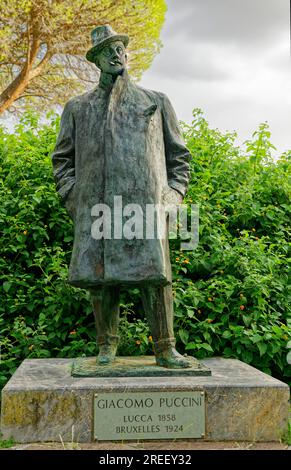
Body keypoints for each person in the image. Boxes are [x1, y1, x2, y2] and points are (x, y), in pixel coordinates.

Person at [52, 25, 192, 368]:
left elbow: (179, 157)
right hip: (96, 205)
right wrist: (73, 197)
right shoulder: (77, 107)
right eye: (108, 51)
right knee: (102, 278)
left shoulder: (155, 102)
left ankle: (165, 348)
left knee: (156, 277)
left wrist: (173, 195)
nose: (117, 55)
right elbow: (62, 160)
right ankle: (106, 346)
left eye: (120, 48)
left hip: (146, 205)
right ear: (96, 59)